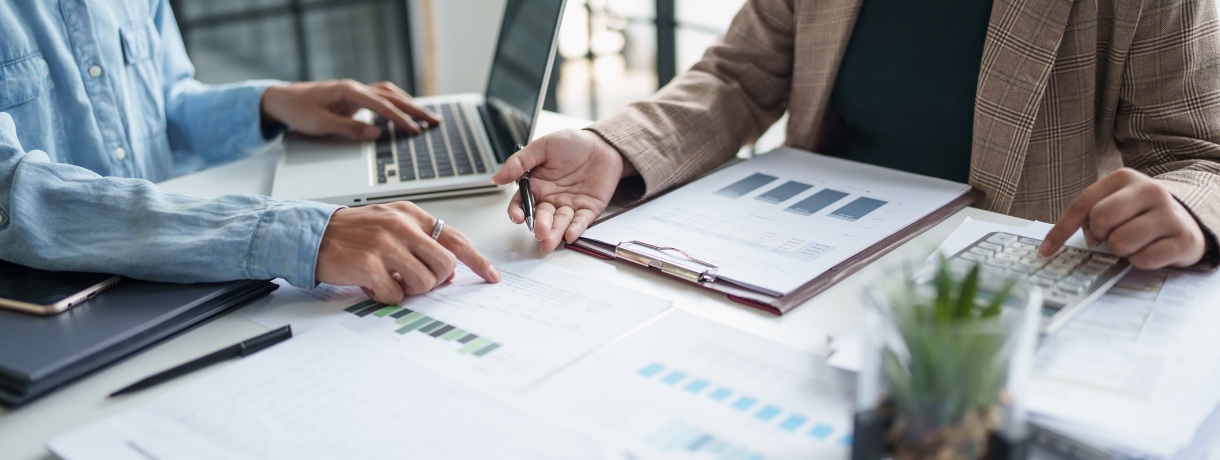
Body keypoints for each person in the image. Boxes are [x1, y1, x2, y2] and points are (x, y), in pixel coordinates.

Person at [493, 0, 1220, 271]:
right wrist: (617, 147)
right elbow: (739, 76)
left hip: (1001, 278)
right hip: (807, 251)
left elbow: (1199, 156)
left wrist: (1184, 209)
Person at [0, 1, 500, 306]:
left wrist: (273, 103)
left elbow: (167, 99)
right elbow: (14, 193)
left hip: (179, 267)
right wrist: (300, 236)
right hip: (46, 300)